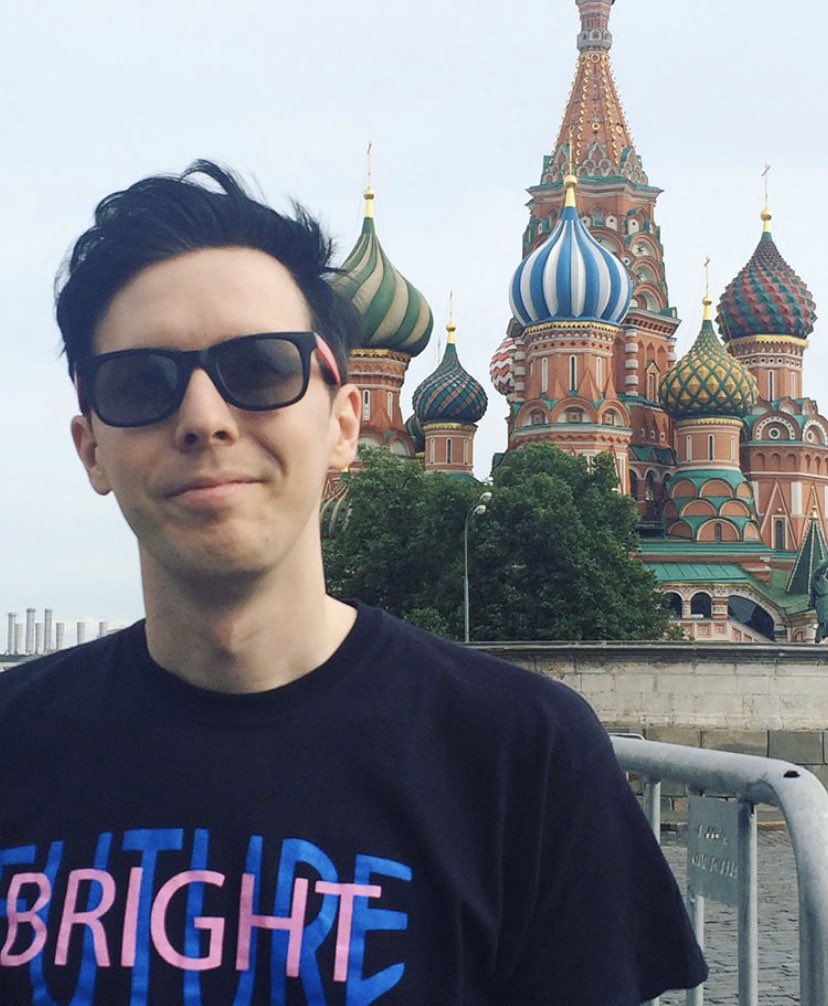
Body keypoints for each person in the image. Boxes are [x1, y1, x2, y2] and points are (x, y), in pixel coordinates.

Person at [0, 161, 706, 1004]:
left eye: (261, 369)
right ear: (91, 449)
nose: (204, 418)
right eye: (140, 382)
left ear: (344, 424)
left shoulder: (524, 757)